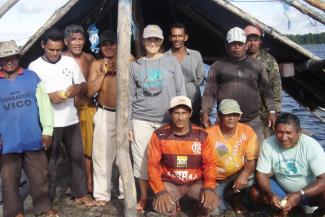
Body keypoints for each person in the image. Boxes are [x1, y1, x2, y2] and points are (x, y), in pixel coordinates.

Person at [28, 27, 95, 205]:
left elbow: (83, 85)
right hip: (48, 123)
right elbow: (30, 96)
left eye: (58, 50)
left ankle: (80, 194)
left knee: (76, 158)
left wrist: (76, 89)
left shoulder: (69, 62)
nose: (55, 53)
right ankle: (47, 202)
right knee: (49, 165)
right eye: (51, 50)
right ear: (43, 45)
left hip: (71, 119)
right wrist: (49, 96)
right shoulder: (34, 67)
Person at [129, 24, 186, 212]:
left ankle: (170, 195)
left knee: (168, 160)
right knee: (142, 161)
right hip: (140, 119)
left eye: (156, 39)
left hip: (166, 120)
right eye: (148, 39)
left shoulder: (172, 62)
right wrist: (128, 124)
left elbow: (181, 92)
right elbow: (129, 97)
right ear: (143, 41)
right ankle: (144, 197)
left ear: (161, 41)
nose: (152, 43)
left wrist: (181, 119)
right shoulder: (134, 66)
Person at [0, 40, 58, 217]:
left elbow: (45, 105)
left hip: (33, 137)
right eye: (4, 58)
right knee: (9, 180)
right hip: (7, 141)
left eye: (12, 57)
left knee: (40, 176)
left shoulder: (32, 77)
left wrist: (47, 130)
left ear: (18, 57)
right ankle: (15, 212)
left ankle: (43, 208)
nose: (9, 61)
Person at [200, 27, 276, 144]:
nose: (236, 47)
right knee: (223, 156)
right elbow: (210, 92)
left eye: (240, 44)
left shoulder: (257, 65)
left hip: (252, 120)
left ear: (246, 45)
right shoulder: (217, 66)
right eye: (233, 44)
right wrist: (205, 113)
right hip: (225, 121)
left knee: (254, 156)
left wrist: (272, 111)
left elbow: (266, 90)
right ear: (226, 46)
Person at [148, 96, 218, 217]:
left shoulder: (201, 135)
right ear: (170, 113)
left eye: (184, 113)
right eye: (176, 113)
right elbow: (152, 165)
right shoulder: (159, 135)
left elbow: (210, 164)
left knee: (211, 206)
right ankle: (174, 207)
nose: (180, 117)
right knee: (163, 208)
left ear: (190, 113)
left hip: (195, 183)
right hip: (170, 183)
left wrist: (209, 188)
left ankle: (197, 207)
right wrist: (160, 191)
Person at [251, 113, 325, 217]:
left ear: (299, 132)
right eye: (279, 132)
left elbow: (323, 179)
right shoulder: (268, 144)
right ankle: (281, 208)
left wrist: (300, 194)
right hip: (283, 188)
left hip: (307, 191)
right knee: (255, 193)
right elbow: (262, 173)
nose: (283, 137)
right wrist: (269, 194)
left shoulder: (311, 146)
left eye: (288, 133)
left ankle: (319, 210)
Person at [87, 29, 122, 205]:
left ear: (118, 44)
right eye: (104, 44)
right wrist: (103, 73)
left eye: (111, 43)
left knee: (125, 155)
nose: (108, 47)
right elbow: (90, 91)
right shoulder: (96, 64)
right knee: (101, 155)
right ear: (99, 47)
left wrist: (120, 66)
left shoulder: (128, 59)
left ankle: (125, 192)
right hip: (104, 113)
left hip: (125, 115)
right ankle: (101, 194)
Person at [206, 99, 259, 215]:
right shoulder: (208, 135)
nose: (231, 118)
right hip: (215, 178)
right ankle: (225, 196)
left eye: (235, 114)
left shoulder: (247, 131)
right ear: (219, 116)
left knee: (258, 175)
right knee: (214, 210)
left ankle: (236, 196)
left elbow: (252, 159)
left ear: (240, 116)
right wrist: (209, 184)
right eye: (227, 114)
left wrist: (244, 174)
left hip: (237, 174)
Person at [63, 24, 96, 193]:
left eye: (80, 39)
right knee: (72, 151)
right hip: (66, 112)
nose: (77, 43)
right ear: (66, 41)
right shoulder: (59, 59)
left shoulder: (90, 59)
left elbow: (95, 84)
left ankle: (89, 181)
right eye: (73, 39)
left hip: (87, 108)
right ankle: (77, 183)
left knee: (88, 149)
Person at [244, 25, 282, 139]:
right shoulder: (238, 59)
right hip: (244, 113)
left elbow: (276, 85)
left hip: (265, 113)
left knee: (265, 144)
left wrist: (275, 110)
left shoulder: (269, 60)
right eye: (249, 40)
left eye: (255, 40)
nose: (252, 43)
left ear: (260, 41)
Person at [165, 23, 204, 125]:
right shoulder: (164, 58)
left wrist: (189, 87)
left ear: (185, 37)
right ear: (170, 38)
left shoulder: (196, 55)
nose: (177, 39)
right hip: (173, 108)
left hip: (194, 106)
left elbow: (200, 79)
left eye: (180, 36)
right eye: (174, 36)